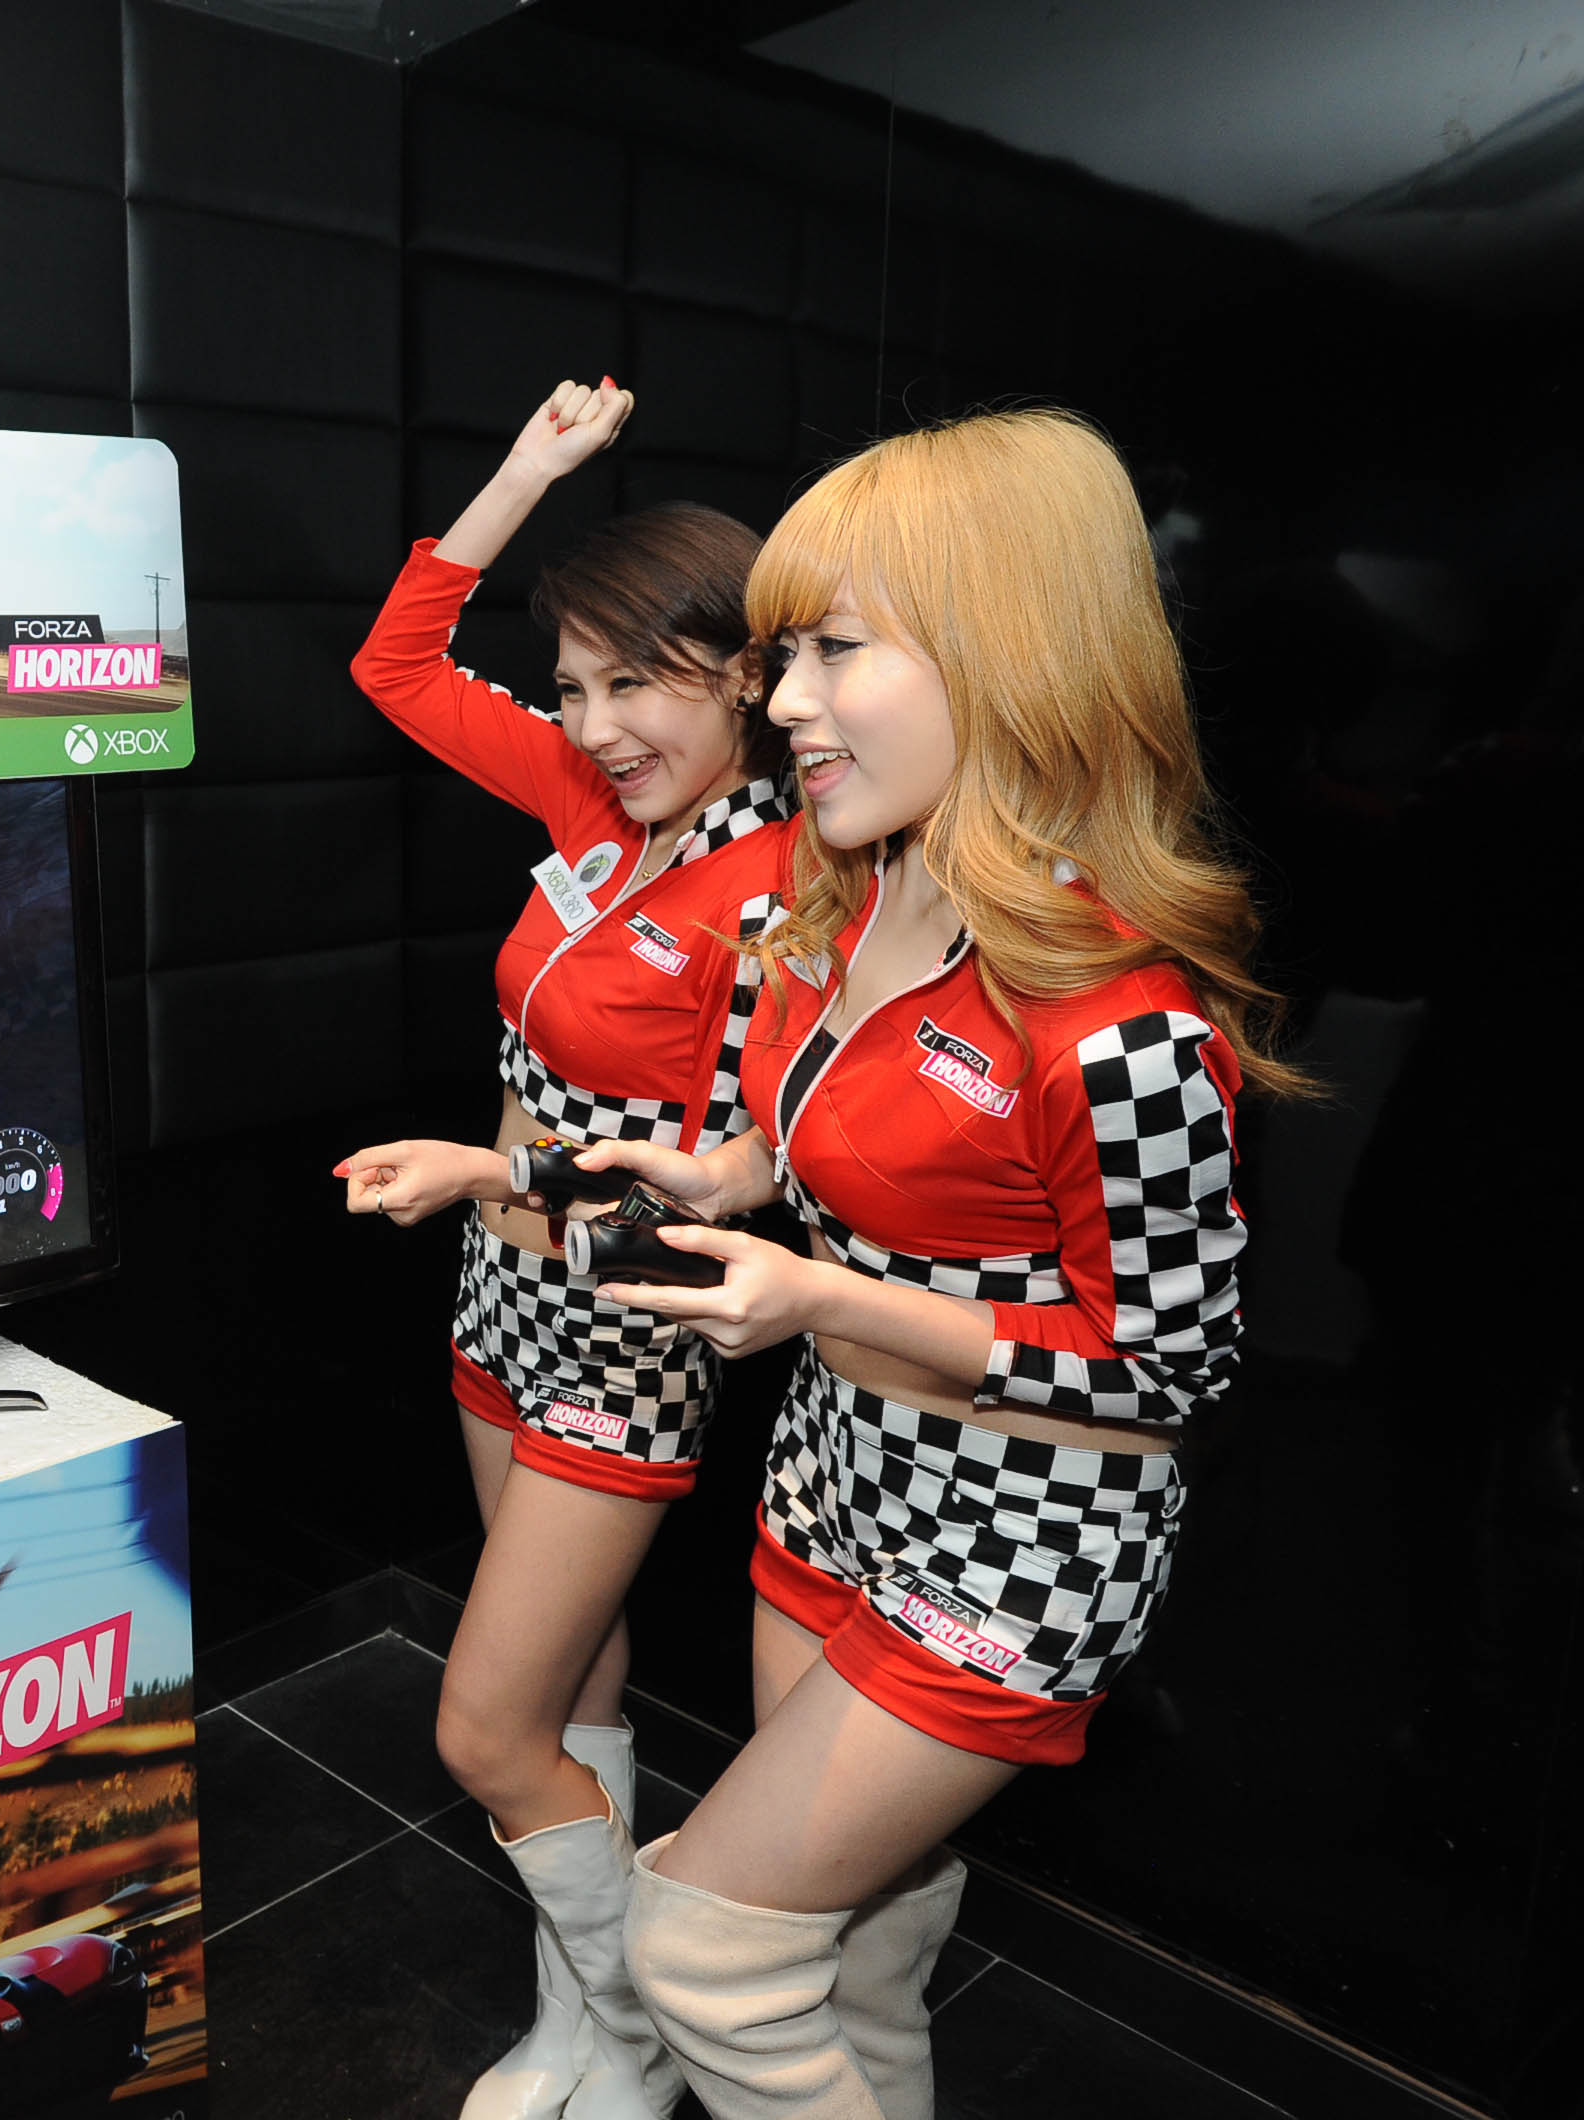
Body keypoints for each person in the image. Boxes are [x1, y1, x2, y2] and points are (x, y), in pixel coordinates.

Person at [564, 408, 1303, 2118]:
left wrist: (824, 1297)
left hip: (1023, 1534)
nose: (785, 702)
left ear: (1010, 652)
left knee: (707, 1950)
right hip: (835, 1479)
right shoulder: (848, 888)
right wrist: (726, 1175)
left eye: (835, 650)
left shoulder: (1121, 1024)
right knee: (854, 1958)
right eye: (783, 657)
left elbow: (1171, 1372)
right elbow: (831, 1119)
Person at [337, 377, 798, 2120]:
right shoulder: (600, 813)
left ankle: (647, 2028)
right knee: (570, 1681)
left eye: (637, 683)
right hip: (499, 1285)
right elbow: (397, 665)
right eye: (576, 686)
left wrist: (488, 1169)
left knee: (482, 1729)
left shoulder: (790, 886)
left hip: (628, 1320)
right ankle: (586, 2028)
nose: (596, 726)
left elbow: (734, 1194)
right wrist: (529, 470)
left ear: (743, 675)